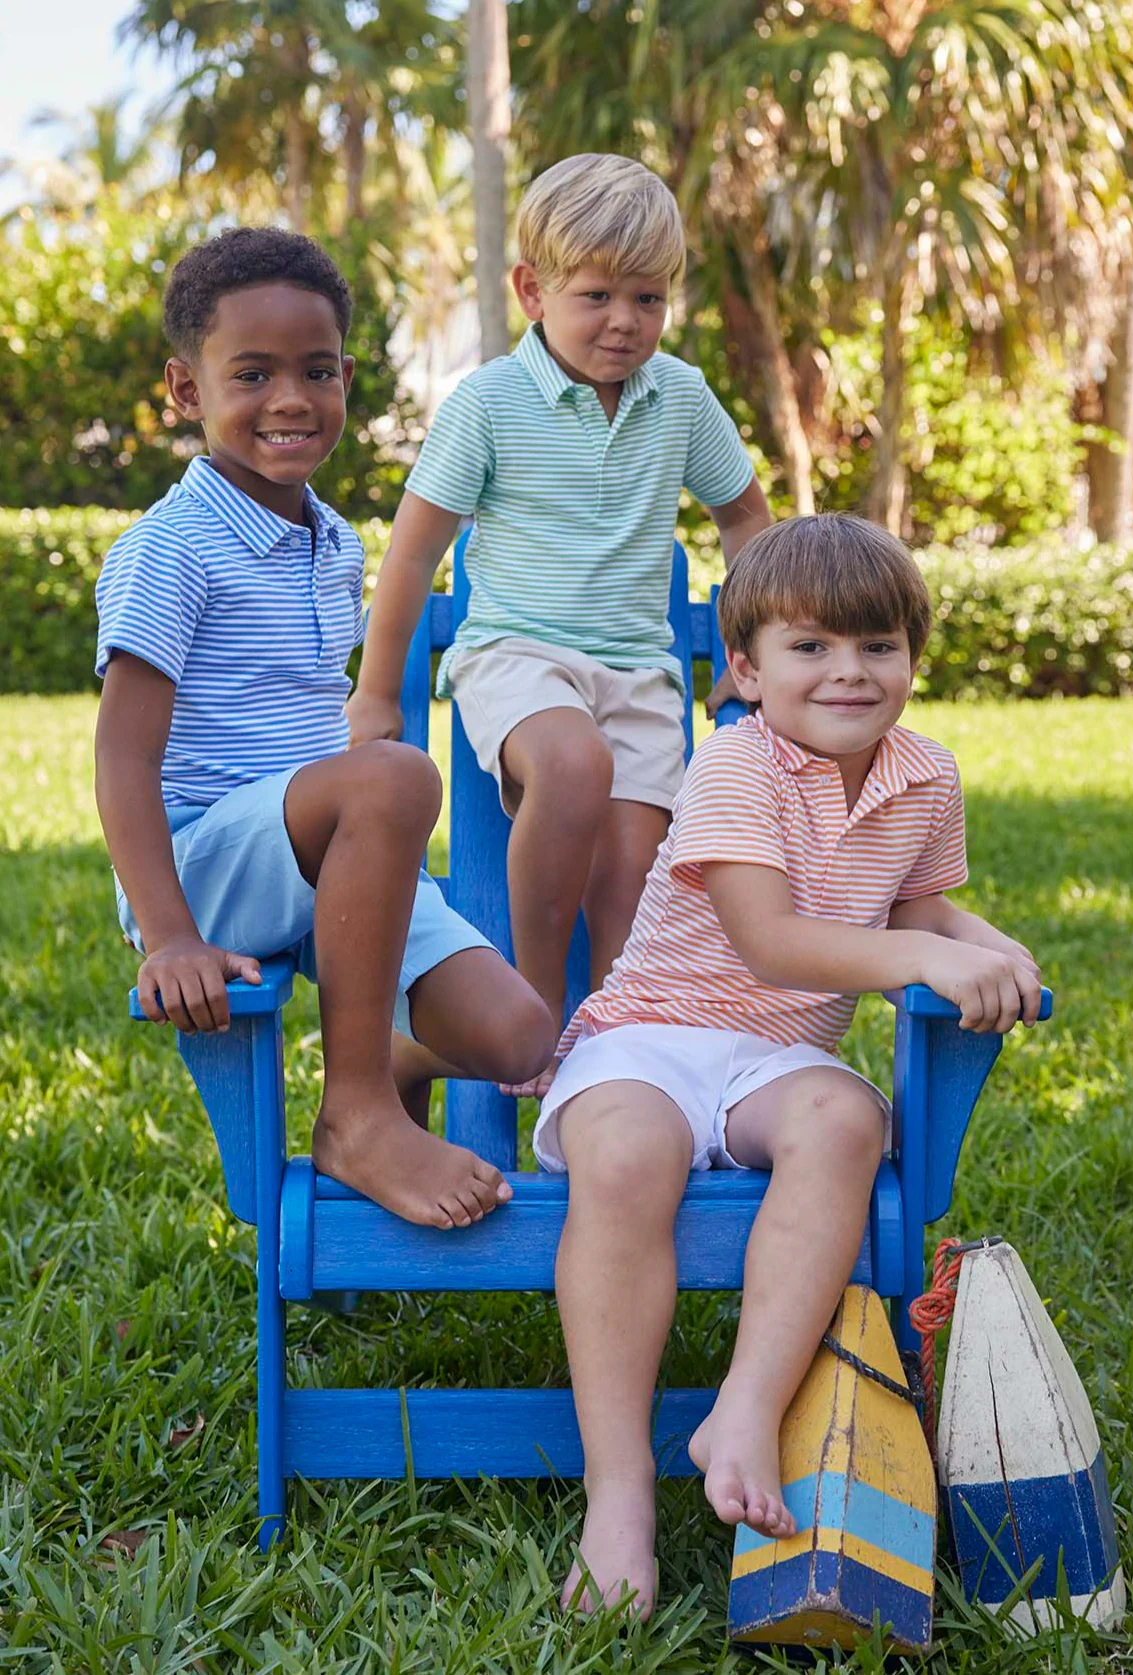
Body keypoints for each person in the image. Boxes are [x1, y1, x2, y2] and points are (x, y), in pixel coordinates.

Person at [530, 514, 1044, 1617]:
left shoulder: (924, 776)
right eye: (811, 647)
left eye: (878, 645)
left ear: (914, 656)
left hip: (777, 1059)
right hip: (646, 1040)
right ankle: (616, 1490)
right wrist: (918, 953)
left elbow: (919, 903)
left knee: (848, 1124)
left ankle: (745, 1407)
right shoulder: (734, 762)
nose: (849, 672)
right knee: (625, 1153)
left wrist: (987, 945)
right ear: (747, 671)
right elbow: (766, 935)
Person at [93, 227, 555, 1233]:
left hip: (324, 859)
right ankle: (356, 1112)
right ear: (185, 388)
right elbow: (123, 757)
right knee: (388, 775)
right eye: (251, 374)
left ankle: (378, 1044)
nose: (291, 399)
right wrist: (168, 933)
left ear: (348, 376)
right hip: (209, 863)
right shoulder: (170, 549)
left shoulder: (334, 540)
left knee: (520, 1037)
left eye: (316, 370)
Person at [348, 153, 772, 1085]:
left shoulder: (682, 397)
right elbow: (415, 551)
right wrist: (377, 691)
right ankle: (532, 1010)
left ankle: (611, 1056)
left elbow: (743, 517)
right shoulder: (490, 403)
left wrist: (757, 654)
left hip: (638, 671)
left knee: (632, 874)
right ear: (532, 290)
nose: (624, 322)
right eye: (596, 295)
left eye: (648, 298)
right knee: (573, 763)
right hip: (516, 655)